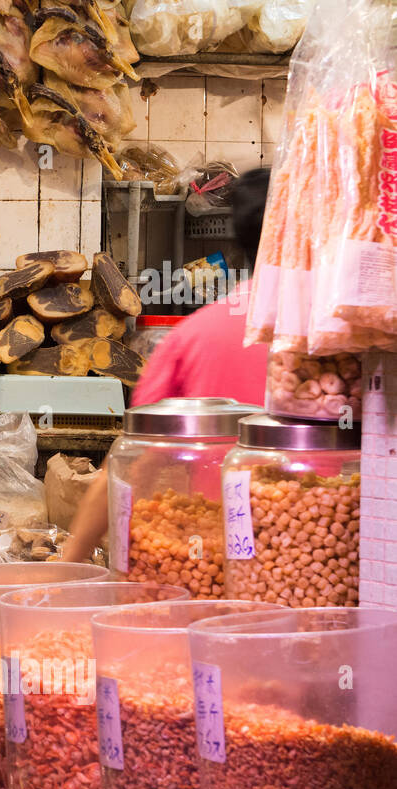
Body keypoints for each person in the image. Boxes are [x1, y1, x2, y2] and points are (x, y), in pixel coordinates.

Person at [62, 169, 271, 563]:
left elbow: (126, 462)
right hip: (323, 549)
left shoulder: (193, 334)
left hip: (212, 551)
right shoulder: (352, 337)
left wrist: (68, 565)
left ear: (240, 241)